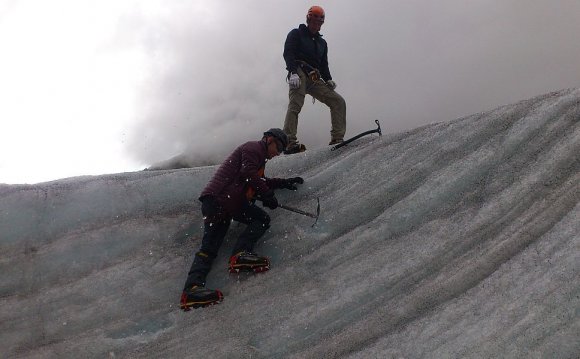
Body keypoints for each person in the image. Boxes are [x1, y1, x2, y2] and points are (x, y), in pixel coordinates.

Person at [180, 128, 304, 310]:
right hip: (225, 199)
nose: (278, 153)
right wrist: (267, 195)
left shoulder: (257, 156)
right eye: (278, 147)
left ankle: (192, 290)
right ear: (269, 139)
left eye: (281, 150)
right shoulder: (254, 148)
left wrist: (283, 183)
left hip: (215, 201)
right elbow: (249, 174)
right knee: (261, 219)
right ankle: (240, 255)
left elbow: (259, 179)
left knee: (209, 248)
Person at [282, 5, 347, 154]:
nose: (316, 25)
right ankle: (289, 142)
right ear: (308, 19)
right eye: (314, 21)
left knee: (338, 101)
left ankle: (337, 138)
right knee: (295, 104)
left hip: (314, 76)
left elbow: (324, 64)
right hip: (299, 71)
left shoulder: (322, 43)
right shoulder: (296, 34)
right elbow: (288, 53)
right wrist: (292, 72)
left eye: (319, 22)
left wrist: (328, 79)